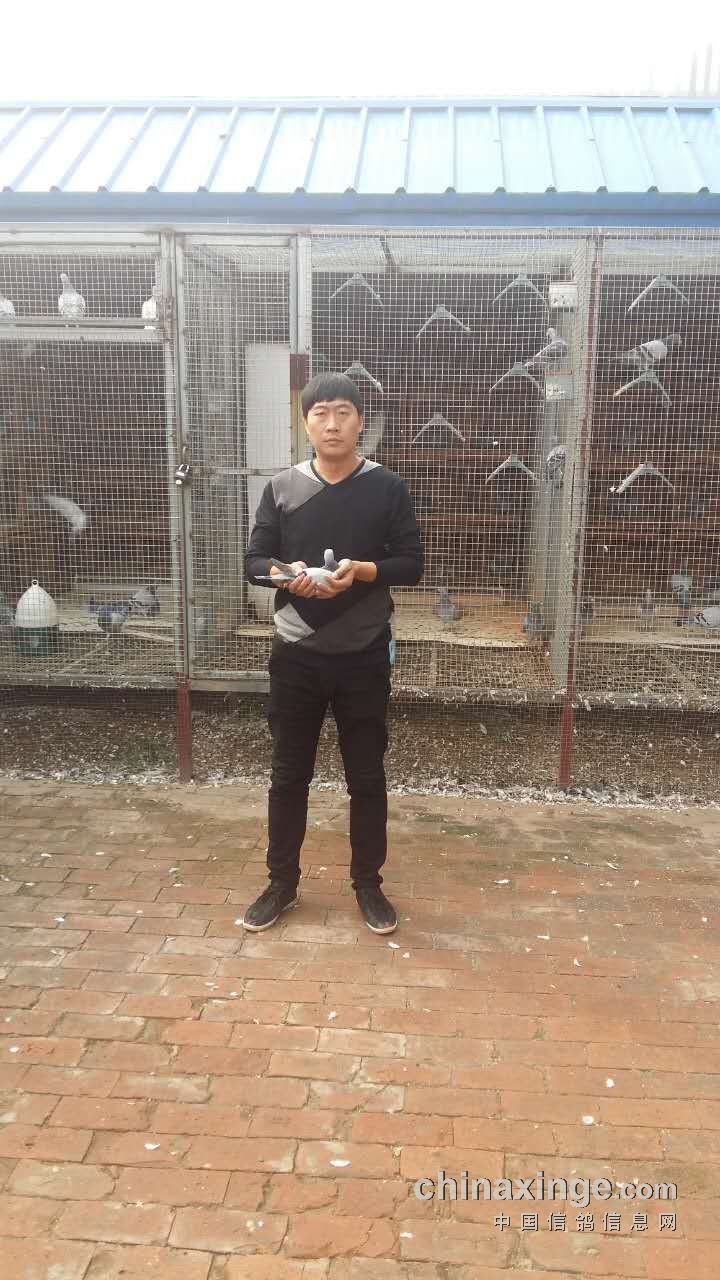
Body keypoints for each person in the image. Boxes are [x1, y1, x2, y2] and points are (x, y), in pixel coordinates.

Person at [242, 372, 424, 935]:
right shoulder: (282, 487)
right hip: (295, 653)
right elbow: (255, 561)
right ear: (305, 424)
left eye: (343, 412)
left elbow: (411, 564)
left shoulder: (386, 487)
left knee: (366, 776)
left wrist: (363, 571)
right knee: (287, 775)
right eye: (320, 413)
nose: (332, 423)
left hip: (363, 652)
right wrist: (284, 574)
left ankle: (368, 885)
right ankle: (281, 883)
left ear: (360, 421)